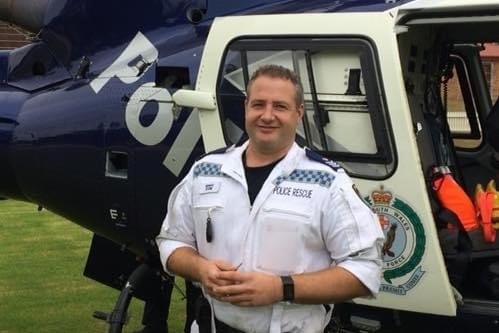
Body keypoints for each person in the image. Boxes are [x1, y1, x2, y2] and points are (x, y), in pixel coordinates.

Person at [156, 64, 384, 333]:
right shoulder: (205, 170)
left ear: (298, 113)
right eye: (259, 104)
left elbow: (365, 270)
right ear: (246, 107)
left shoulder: (328, 182)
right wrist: (200, 268)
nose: (267, 115)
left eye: (280, 106)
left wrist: (281, 288)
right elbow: (171, 242)